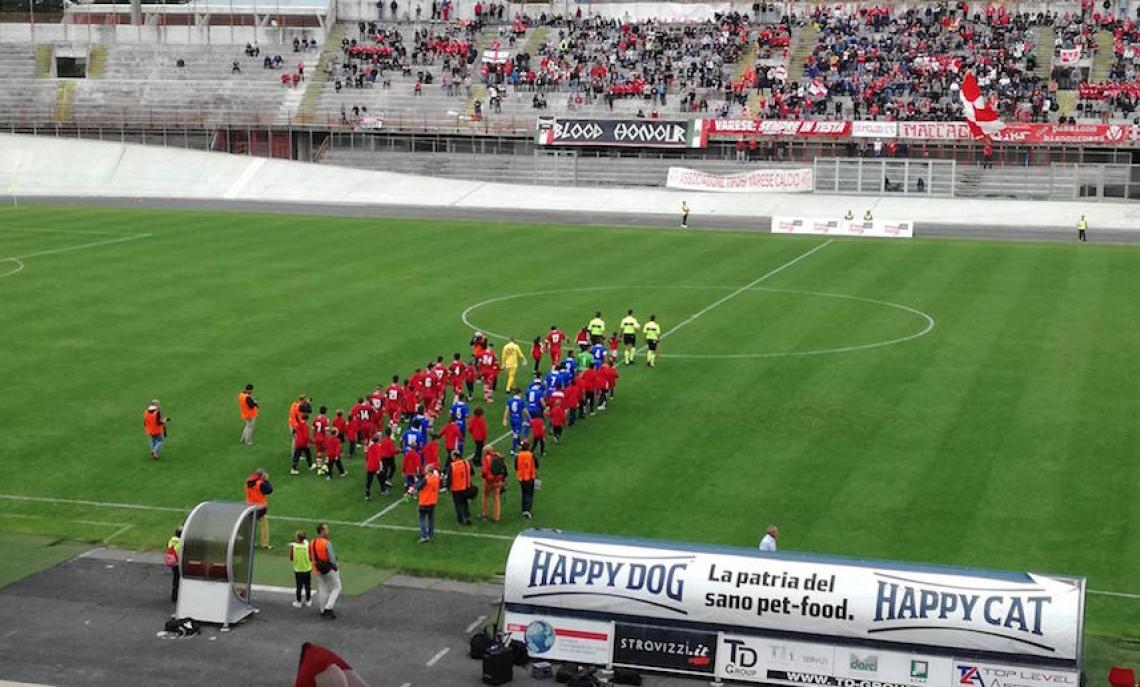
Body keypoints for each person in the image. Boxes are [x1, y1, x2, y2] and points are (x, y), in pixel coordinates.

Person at [310, 523, 341, 619]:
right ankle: (329, 607)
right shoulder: (326, 543)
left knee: (322, 588)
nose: (328, 531)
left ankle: (322, 609)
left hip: (317, 569)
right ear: (322, 531)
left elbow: (310, 556)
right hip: (328, 569)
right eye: (326, 529)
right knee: (337, 587)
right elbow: (332, 559)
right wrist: (335, 567)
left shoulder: (312, 542)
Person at [245, 469, 273, 549]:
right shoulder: (260, 484)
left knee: (250, 526)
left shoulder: (247, 482)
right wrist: (266, 481)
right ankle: (264, 544)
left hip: (249, 507)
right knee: (264, 527)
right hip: (260, 508)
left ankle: (250, 543)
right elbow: (269, 490)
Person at [413, 465, 440, 543]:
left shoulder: (426, 479)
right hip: (433, 502)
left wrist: (416, 481)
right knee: (431, 519)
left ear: (428, 471)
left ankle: (424, 536)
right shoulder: (435, 478)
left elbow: (418, 487)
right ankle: (430, 534)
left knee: (422, 519)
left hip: (424, 502)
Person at [446, 450, 473, 525]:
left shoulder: (452, 466)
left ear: (455, 456)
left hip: (456, 488)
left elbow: (449, 479)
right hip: (465, 486)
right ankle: (467, 517)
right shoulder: (466, 462)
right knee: (465, 503)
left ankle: (460, 519)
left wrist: (448, 487)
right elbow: (472, 472)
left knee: (458, 504)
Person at [480, 446, 506, 522]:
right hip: (498, 480)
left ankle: (484, 513)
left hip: (489, 480)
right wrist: (503, 480)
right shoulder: (499, 456)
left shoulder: (487, 458)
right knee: (496, 498)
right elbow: (504, 469)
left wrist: (484, 477)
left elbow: (484, 471)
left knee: (485, 496)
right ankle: (496, 517)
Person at [289, 530, 313, 608]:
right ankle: (308, 601)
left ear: (298, 538)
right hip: (307, 569)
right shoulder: (307, 545)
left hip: (298, 569)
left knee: (299, 586)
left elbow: (291, 558)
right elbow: (311, 556)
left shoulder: (293, 547)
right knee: (308, 586)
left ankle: (298, 602)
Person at [516, 441, 537, 519]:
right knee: (529, 494)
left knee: (524, 493)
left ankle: (524, 509)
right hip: (530, 477)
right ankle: (527, 510)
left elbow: (516, 467)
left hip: (521, 478)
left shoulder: (518, 456)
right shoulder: (531, 455)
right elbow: (536, 465)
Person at [503, 388, 527, 454]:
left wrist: (505, 419)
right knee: (516, 434)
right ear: (519, 393)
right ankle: (512, 450)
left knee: (516, 432)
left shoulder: (510, 400)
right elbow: (525, 411)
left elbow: (507, 410)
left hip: (512, 419)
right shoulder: (521, 401)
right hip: (518, 420)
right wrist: (530, 418)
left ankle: (519, 443)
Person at [165, 526, 182, 603]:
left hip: (173, 563)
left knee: (175, 579)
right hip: (179, 563)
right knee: (180, 580)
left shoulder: (171, 541)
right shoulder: (181, 543)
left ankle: (174, 596)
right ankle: (179, 596)